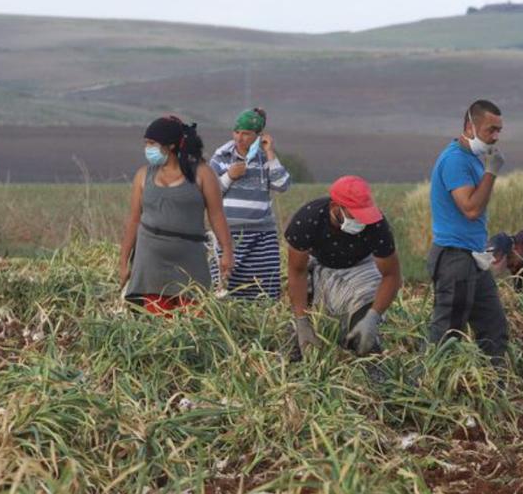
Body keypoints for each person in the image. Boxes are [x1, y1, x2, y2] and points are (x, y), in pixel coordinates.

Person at [119, 116, 234, 315]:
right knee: (156, 324)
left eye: (152, 143)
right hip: (150, 263)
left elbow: (216, 216)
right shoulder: (143, 175)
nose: (147, 149)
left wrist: (227, 251)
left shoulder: (203, 174)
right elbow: (134, 219)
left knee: (194, 319)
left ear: (171, 145)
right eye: (146, 143)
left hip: (190, 262)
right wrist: (123, 261)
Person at [427, 99, 509, 371]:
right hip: (454, 259)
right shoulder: (454, 161)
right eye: (490, 130)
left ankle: (493, 388)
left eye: (498, 130)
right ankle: (430, 388)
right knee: (449, 332)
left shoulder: (473, 158)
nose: (495, 136)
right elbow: (471, 209)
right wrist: (491, 173)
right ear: (469, 127)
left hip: (474, 257)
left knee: (493, 327)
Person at [285, 176, 401, 359]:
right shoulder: (308, 220)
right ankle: (297, 344)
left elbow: (391, 276)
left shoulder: (377, 225)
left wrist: (373, 316)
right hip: (319, 265)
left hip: (360, 267)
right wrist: (302, 322)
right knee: (306, 331)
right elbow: (297, 271)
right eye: (355, 215)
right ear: (335, 208)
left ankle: (368, 353)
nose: (362, 222)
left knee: (363, 330)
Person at [207, 108, 291, 299]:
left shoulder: (265, 159)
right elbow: (210, 193)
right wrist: (229, 176)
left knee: (263, 289)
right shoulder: (221, 157)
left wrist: (269, 152)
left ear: (258, 135)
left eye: (246, 133)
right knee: (224, 287)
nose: (240, 138)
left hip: (262, 235)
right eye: (237, 132)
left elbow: (282, 185)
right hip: (227, 233)